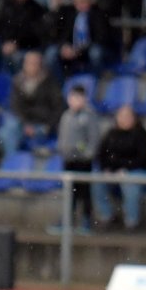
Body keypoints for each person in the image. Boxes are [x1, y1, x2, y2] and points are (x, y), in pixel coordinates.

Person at [92, 104, 146, 231]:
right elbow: (101, 155)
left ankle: (132, 221)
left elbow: (144, 159)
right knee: (95, 180)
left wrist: (126, 168)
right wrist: (107, 169)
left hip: (137, 170)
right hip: (114, 171)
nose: (124, 119)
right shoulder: (111, 134)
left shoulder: (141, 135)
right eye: (121, 116)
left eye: (127, 116)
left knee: (131, 182)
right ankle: (107, 216)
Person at [50, 82, 99, 235]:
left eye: (79, 97)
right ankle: (67, 219)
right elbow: (62, 137)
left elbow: (93, 139)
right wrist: (63, 151)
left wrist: (87, 155)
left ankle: (86, 220)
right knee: (69, 193)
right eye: (73, 97)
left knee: (84, 193)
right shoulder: (66, 116)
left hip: (83, 162)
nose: (75, 101)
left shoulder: (89, 116)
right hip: (68, 160)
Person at [0, 49, 64, 160]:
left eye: (35, 63)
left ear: (40, 65)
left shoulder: (49, 82)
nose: (32, 66)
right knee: (6, 132)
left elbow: (58, 107)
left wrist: (48, 126)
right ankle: (11, 163)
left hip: (43, 124)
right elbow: (15, 106)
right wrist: (26, 124)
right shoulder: (17, 81)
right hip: (23, 124)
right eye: (29, 63)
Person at [0, 0, 47, 73]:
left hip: (25, 47)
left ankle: (16, 81)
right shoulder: (7, 4)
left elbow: (34, 35)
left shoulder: (36, 9)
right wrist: (5, 42)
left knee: (16, 58)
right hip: (4, 42)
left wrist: (16, 44)